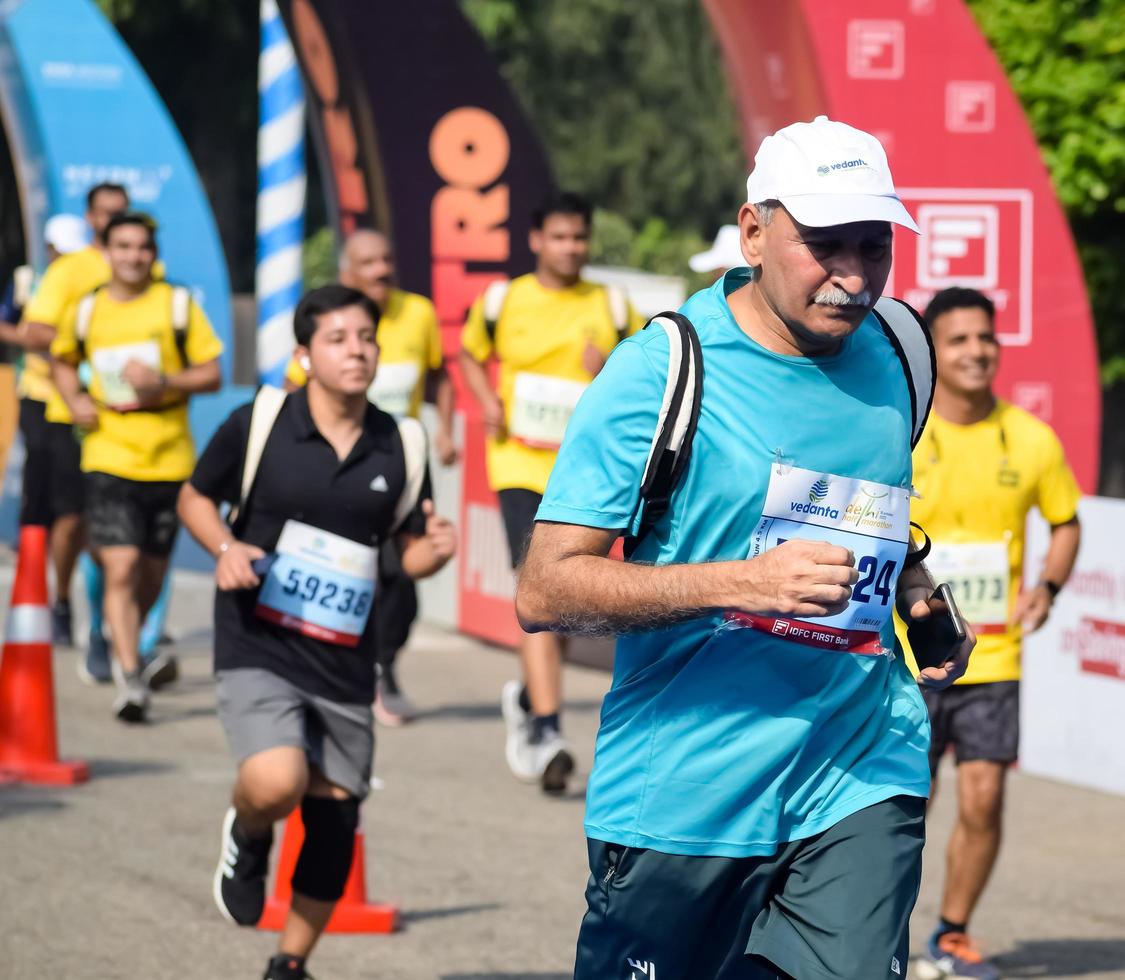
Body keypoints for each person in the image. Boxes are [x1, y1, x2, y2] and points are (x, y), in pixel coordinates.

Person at [515, 117, 976, 979]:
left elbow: (862, 502)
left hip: (858, 765)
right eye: (824, 244)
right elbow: (545, 591)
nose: (851, 276)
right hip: (686, 793)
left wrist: (914, 588)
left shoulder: (902, 352)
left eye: (872, 247)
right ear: (753, 232)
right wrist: (743, 583)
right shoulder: (660, 373)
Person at [177, 284, 456, 980]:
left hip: (342, 657)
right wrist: (225, 550)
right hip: (258, 639)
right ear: (304, 355)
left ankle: (289, 964)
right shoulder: (262, 422)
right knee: (276, 782)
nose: (356, 350)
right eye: (337, 339)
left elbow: (407, 552)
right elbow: (194, 495)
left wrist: (435, 550)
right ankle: (247, 832)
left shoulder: (402, 441)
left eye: (365, 337)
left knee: (334, 826)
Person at [910, 288, 1081, 980]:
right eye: (957, 340)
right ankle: (873, 932)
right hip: (908, 660)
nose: (976, 351)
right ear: (931, 351)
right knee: (897, 808)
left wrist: (1047, 587)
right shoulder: (904, 431)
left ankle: (950, 936)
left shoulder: (1030, 437)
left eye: (985, 338)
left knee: (982, 799)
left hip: (992, 658)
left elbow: (1065, 522)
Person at [459, 191, 643, 795]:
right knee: (538, 591)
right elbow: (467, 354)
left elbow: (645, 375)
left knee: (565, 601)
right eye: (559, 237)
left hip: (590, 474)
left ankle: (529, 699)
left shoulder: (614, 305)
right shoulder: (503, 300)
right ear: (536, 240)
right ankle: (546, 729)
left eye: (580, 238)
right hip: (519, 464)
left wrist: (606, 366)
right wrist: (487, 403)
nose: (571, 248)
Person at [51, 212, 223, 721]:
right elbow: (61, 359)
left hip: (169, 459)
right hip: (107, 454)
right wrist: (75, 397)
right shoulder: (86, 310)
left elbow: (213, 374)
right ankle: (130, 679)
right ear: (105, 251)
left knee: (149, 577)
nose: (133, 256)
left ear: (154, 252)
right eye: (122, 246)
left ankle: (120, 636)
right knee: (120, 565)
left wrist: (163, 382)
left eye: (142, 247)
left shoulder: (177, 305)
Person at [284, 229, 457, 726]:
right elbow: (294, 386)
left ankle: (384, 662)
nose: (382, 270)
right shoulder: (332, 321)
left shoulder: (418, 313)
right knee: (355, 573)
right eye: (369, 262)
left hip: (399, 461)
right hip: (341, 468)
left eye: (387, 259)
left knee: (401, 584)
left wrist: (443, 428)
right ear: (347, 272)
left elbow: (438, 373)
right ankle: (350, 670)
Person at [20, 184, 176, 680]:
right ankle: (65, 601)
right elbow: (38, 335)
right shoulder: (71, 272)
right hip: (69, 416)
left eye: (123, 214)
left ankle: (116, 631)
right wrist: (79, 378)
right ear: (92, 221)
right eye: (107, 216)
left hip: (140, 436)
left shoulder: (157, 281)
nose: (132, 253)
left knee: (125, 549)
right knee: (72, 521)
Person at [0, 215, 89, 514]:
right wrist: (33, 338)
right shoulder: (28, 279)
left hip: (81, 393)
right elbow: (6, 325)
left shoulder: (90, 277)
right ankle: (32, 556)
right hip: (38, 390)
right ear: (49, 247)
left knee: (74, 485)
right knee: (38, 471)